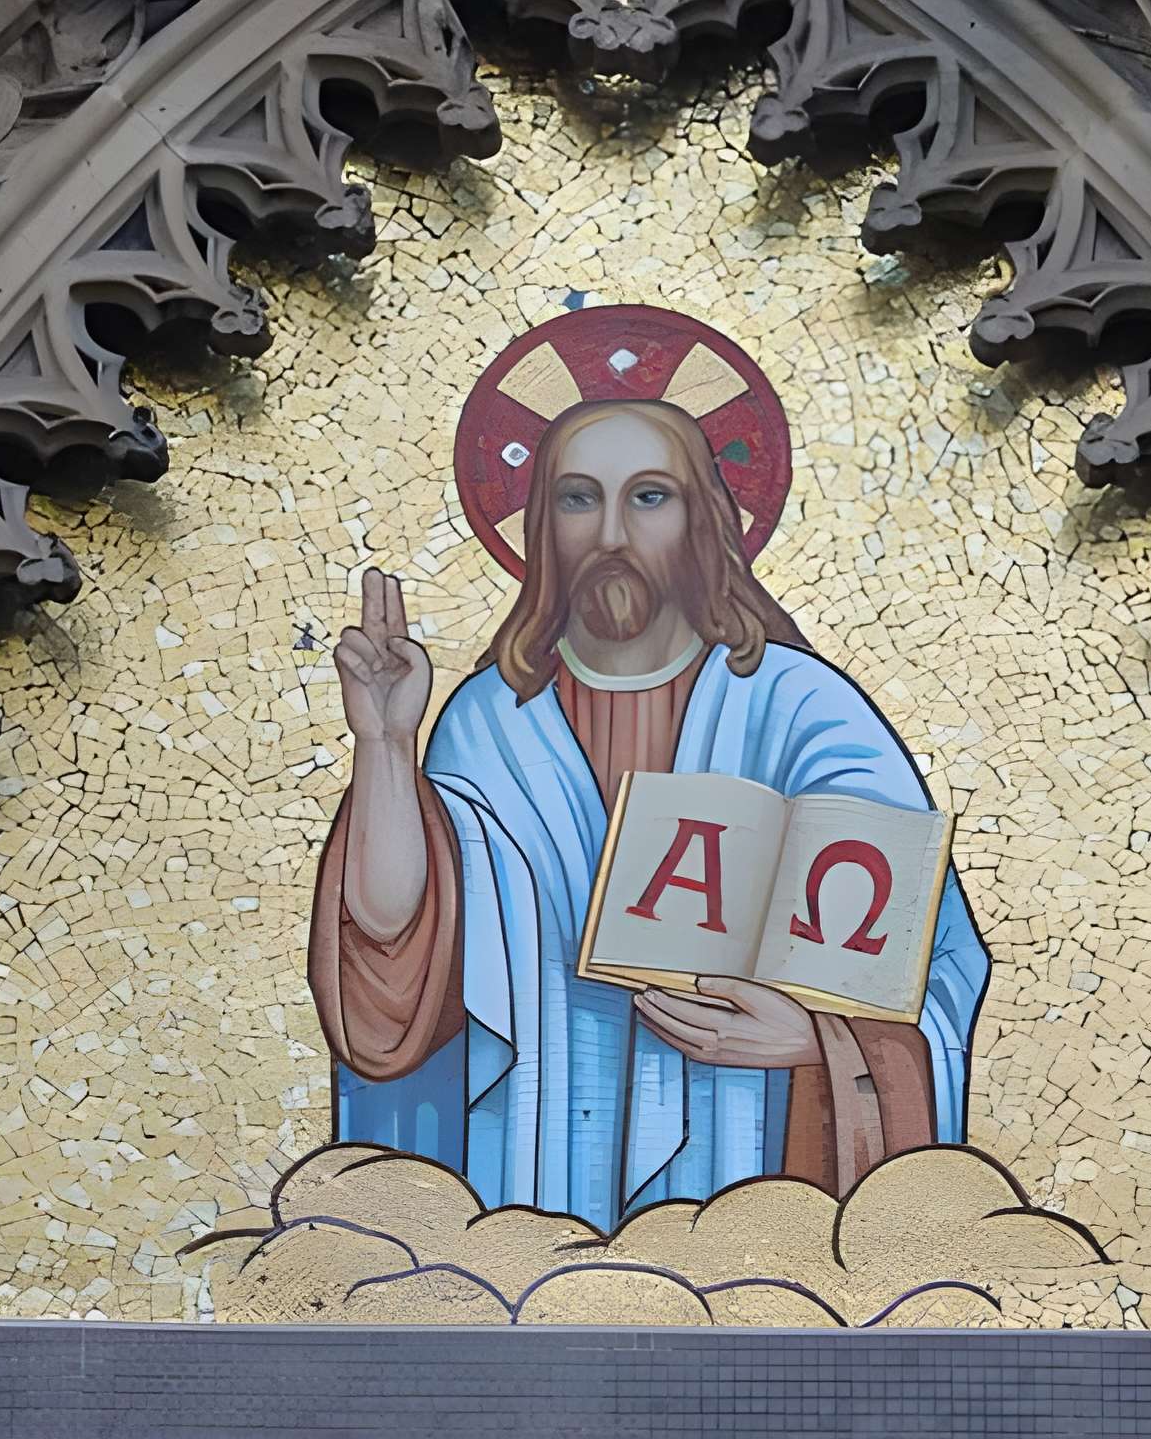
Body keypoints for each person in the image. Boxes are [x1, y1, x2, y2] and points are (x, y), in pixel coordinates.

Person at [307, 396, 987, 1224]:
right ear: (542, 527)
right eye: (579, 498)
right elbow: (394, 953)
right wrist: (384, 743)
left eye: (650, 497)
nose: (612, 536)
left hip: (759, 1159)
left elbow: (928, 967)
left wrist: (821, 1043)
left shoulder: (804, 711)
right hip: (533, 1166)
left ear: (703, 520)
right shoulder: (490, 721)